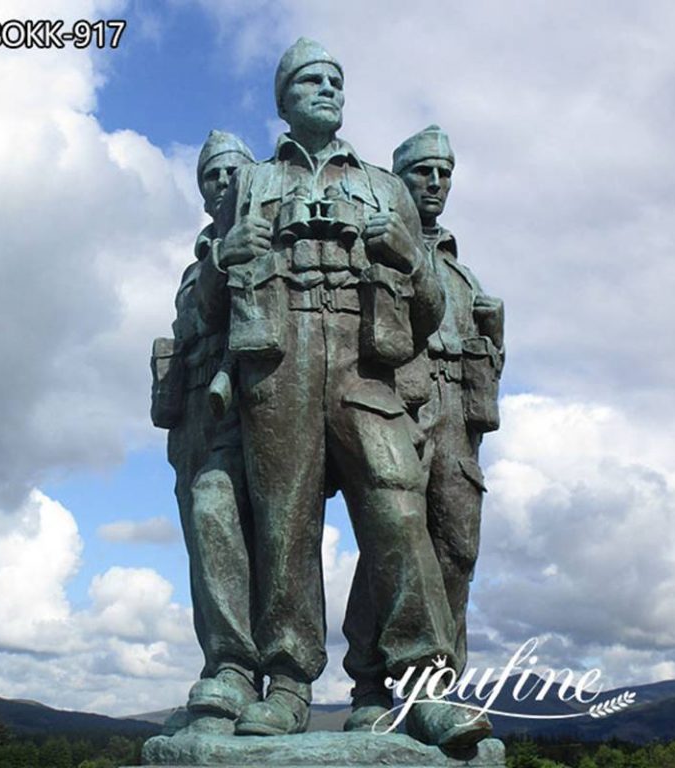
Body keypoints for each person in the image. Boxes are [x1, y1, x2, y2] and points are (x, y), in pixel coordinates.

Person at [196, 40, 479, 746]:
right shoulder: (252, 183)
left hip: (365, 368)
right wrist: (223, 263)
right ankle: (289, 683)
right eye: (311, 81)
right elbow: (210, 308)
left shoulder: (387, 188)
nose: (327, 90)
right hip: (280, 362)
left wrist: (411, 256)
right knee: (284, 525)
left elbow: (429, 312)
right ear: (283, 99)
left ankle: (420, 685)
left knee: (397, 513)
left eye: (335, 81)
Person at [342, 125, 505, 743]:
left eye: (445, 172)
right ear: (398, 180)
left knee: (456, 553)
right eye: (422, 172)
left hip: (459, 421)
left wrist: (496, 335)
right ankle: (370, 685)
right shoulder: (377, 246)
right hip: (401, 409)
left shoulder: (465, 279)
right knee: (393, 543)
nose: (436, 183)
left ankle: (436, 689)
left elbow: (487, 364)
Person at [151, 131, 262, 729]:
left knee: (237, 521)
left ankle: (248, 668)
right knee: (205, 545)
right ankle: (224, 671)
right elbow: (194, 319)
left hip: (252, 405)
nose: (221, 183)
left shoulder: (265, 240)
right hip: (194, 413)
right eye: (210, 177)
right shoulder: (196, 268)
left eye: (230, 172)